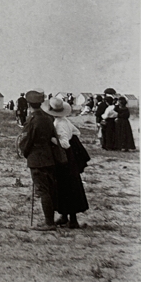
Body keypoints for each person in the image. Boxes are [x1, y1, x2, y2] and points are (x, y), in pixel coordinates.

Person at [41, 97, 90, 229]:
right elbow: (76, 132)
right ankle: (66, 216)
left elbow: (64, 144)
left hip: (64, 159)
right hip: (70, 158)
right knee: (68, 187)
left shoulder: (59, 123)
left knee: (66, 187)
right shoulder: (64, 121)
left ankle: (72, 220)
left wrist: (51, 139)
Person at [19, 90, 59, 231]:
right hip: (49, 157)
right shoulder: (48, 118)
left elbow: (27, 141)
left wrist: (24, 151)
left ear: (29, 104)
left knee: (43, 191)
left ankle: (49, 223)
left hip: (37, 159)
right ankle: (50, 220)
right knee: (49, 189)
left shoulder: (32, 120)